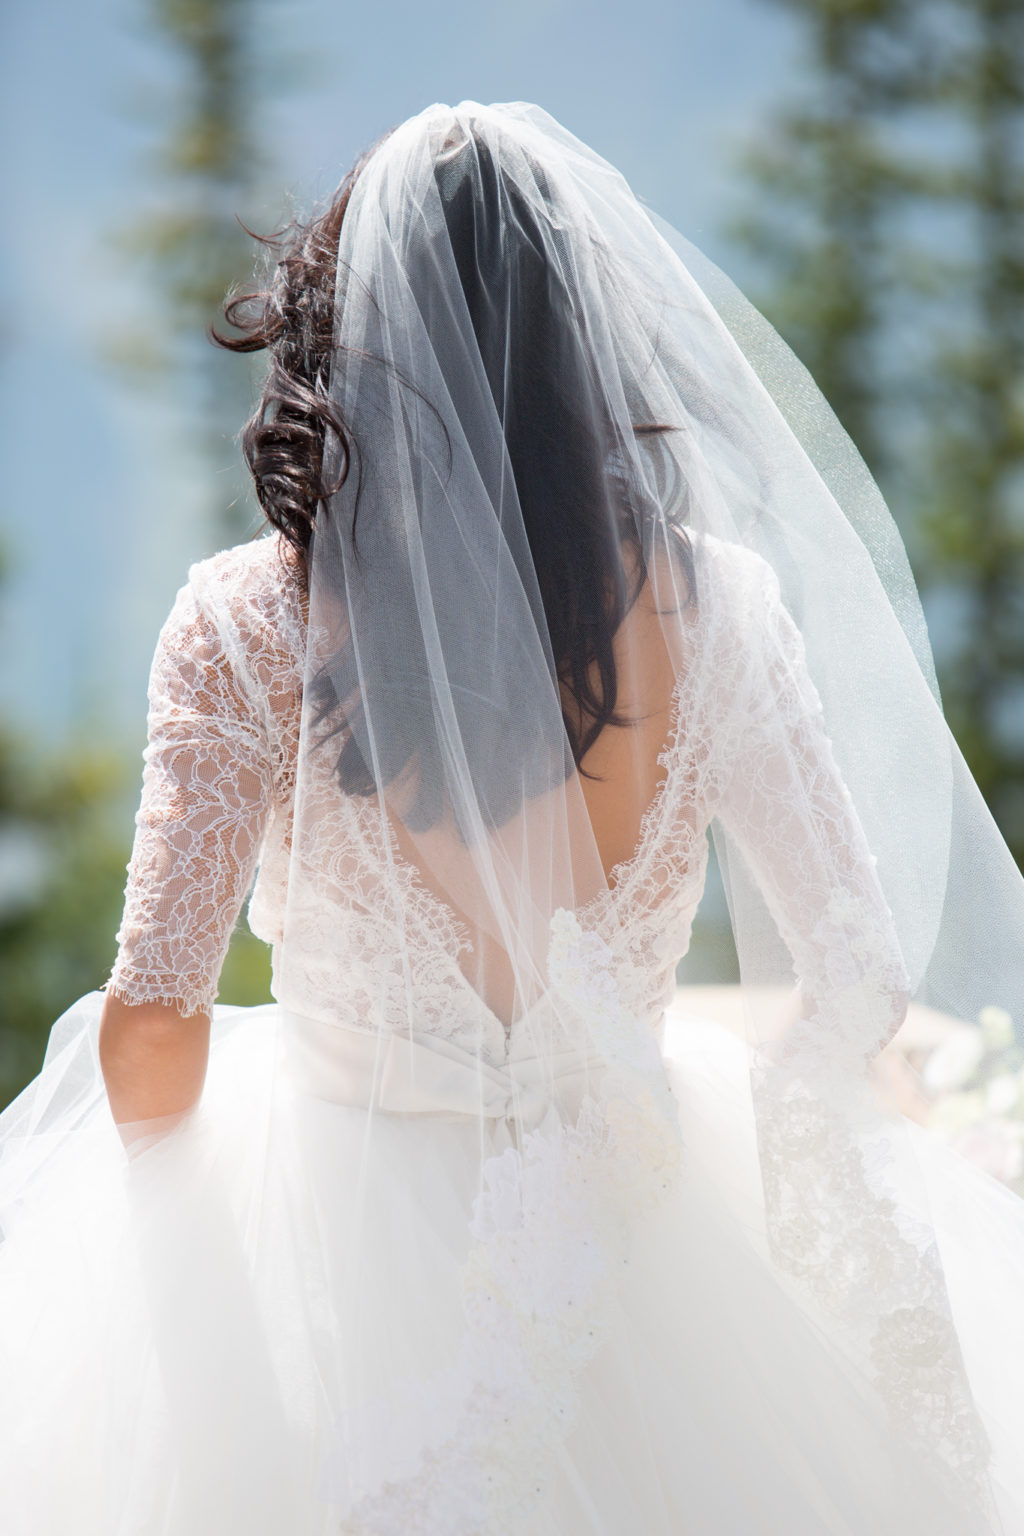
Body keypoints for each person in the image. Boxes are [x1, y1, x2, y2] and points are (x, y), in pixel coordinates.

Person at [2, 99, 1024, 1536]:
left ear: (345, 335)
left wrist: (169, 1269)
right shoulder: (718, 608)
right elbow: (860, 978)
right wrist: (741, 1172)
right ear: (584, 344)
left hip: (335, 1255)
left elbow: (158, 1025)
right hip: (656, 1255)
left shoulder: (245, 623)